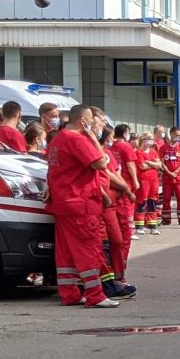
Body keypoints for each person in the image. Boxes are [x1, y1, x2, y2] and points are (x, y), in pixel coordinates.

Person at [46, 105, 119, 307]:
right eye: (93, 122)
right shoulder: (77, 139)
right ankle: (95, 295)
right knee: (88, 249)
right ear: (84, 121)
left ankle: (70, 294)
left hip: (63, 202)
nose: (98, 126)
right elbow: (99, 163)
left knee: (66, 253)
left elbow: (60, 169)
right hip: (80, 203)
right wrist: (93, 138)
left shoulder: (59, 138)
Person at [92, 115, 136, 299]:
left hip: (110, 201)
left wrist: (123, 188)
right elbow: (106, 173)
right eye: (101, 122)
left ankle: (116, 278)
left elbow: (112, 172)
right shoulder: (95, 150)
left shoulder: (107, 152)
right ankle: (109, 282)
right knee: (109, 242)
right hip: (101, 202)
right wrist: (127, 187)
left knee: (115, 241)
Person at [109, 124, 140, 245]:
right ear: (125, 133)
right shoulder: (126, 147)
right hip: (125, 182)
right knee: (127, 209)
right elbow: (130, 165)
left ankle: (119, 230)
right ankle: (127, 231)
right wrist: (135, 180)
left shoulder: (111, 147)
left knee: (117, 208)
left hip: (114, 181)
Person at [159, 127, 180, 225]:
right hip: (167, 178)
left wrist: (176, 172)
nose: (178, 137)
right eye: (176, 135)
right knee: (166, 199)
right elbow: (162, 162)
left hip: (179, 177)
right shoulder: (163, 148)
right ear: (171, 134)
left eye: (179, 135)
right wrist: (169, 172)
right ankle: (166, 219)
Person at [135, 134, 162, 235]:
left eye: (152, 139)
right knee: (142, 202)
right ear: (143, 140)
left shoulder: (153, 151)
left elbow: (159, 164)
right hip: (143, 180)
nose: (151, 141)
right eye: (149, 139)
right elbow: (142, 166)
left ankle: (152, 226)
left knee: (153, 203)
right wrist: (154, 164)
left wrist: (149, 163)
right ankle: (139, 226)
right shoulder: (138, 152)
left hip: (154, 180)